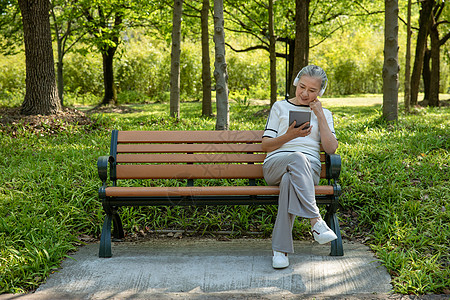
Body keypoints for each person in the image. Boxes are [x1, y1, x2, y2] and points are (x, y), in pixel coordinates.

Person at [261, 65, 338, 269]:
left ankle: (280, 251)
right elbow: (266, 144)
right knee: (296, 157)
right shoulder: (279, 107)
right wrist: (289, 136)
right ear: (296, 83)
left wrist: (320, 116)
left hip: (308, 170)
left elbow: (331, 149)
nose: (305, 94)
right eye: (302, 87)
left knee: (290, 179)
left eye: (312, 90)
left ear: (320, 92)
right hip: (275, 165)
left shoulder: (325, 113)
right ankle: (316, 221)